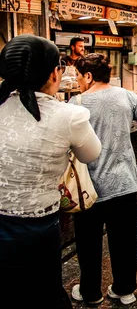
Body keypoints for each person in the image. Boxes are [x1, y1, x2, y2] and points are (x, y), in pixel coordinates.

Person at [0, 35, 101, 309]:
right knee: (43, 292)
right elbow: (91, 153)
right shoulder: (68, 115)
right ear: (55, 73)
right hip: (37, 228)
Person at [70, 54, 137, 305]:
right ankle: (124, 290)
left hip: (88, 187)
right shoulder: (126, 95)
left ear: (88, 76)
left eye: (79, 76)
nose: (78, 81)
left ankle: (90, 292)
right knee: (124, 239)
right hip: (123, 183)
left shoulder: (76, 102)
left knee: (88, 242)